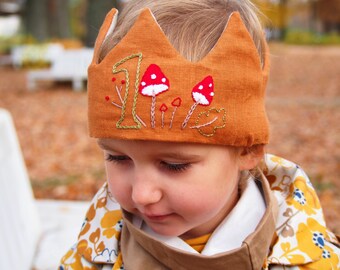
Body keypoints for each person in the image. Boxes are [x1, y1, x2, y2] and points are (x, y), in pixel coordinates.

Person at [60, 0, 340, 269]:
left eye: (174, 165)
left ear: (247, 149)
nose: (142, 194)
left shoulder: (308, 259)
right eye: (118, 157)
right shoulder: (95, 254)